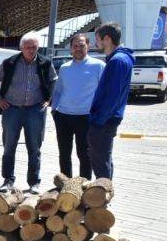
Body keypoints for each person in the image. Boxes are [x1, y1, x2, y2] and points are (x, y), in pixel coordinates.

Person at [0, 32, 58, 194]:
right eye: (27, 47)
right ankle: (8, 180)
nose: (31, 50)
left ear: (38, 47)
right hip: (11, 110)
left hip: (35, 110)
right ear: (21, 47)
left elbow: (54, 80)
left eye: (34, 47)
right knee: (9, 147)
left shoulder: (45, 63)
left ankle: (34, 182)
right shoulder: (10, 63)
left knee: (34, 148)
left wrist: (49, 100)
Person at [50, 34, 105, 179]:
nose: (78, 49)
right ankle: (66, 185)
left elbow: (104, 91)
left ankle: (83, 185)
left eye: (82, 45)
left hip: (85, 117)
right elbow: (59, 91)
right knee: (64, 153)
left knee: (84, 154)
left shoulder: (99, 65)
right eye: (75, 46)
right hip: (63, 116)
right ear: (70, 49)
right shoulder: (64, 67)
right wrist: (54, 110)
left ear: (88, 46)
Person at [88, 22, 135, 180]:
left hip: (105, 120)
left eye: (98, 39)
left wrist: (97, 120)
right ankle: (103, 195)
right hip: (108, 118)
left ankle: (101, 198)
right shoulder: (118, 59)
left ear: (107, 38)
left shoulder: (117, 61)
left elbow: (111, 97)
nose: (96, 43)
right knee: (104, 159)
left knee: (100, 160)